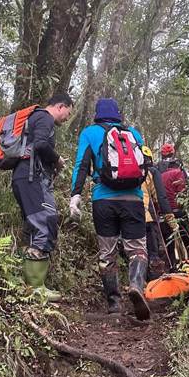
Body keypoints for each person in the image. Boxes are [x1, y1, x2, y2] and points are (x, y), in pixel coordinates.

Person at [69, 98, 150, 320]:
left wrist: (75, 195)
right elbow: (147, 164)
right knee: (138, 249)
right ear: (118, 114)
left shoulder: (90, 133)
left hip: (103, 200)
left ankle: (114, 303)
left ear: (97, 113)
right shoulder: (133, 132)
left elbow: (82, 165)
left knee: (107, 252)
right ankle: (136, 285)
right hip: (133, 199)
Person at [11, 93, 74, 298]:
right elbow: (40, 145)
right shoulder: (45, 118)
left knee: (33, 226)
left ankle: (30, 286)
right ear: (60, 106)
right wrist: (57, 160)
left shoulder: (34, 118)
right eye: (68, 113)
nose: (67, 118)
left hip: (23, 177)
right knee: (45, 222)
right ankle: (36, 288)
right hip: (32, 179)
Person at [141, 146, 178, 278]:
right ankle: (153, 283)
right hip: (146, 217)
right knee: (152, 251)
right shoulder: (151, 172)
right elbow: (160, 198)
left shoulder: (129, 171)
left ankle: (139, 283)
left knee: (136, 251)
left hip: (127, 218)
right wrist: (171, 220)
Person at [156, 143, 188, 267]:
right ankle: (184, 264)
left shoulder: (158, 174)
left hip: (162, 211)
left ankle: (170, 266)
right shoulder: (178, 173)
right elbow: (182, 192)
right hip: (176, 210)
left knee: (167, 241)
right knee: (183, 239)